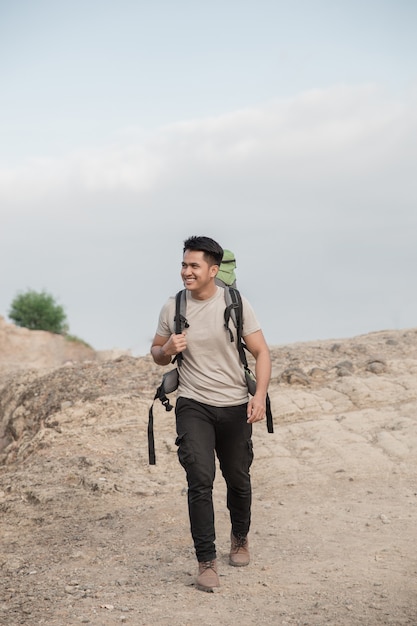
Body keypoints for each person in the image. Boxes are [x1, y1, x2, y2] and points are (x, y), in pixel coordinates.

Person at [150, 236, 271, 592]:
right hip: (193, 404)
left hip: (235, 404)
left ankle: (240, 537)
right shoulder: (172, 307)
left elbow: (262, 352)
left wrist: (259, 395)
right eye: (184, 265)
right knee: (199, 480)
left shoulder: (235, 303)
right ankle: (206, 562)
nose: (186, 272)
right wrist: (167, 349)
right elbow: (156, 352)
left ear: (213, 271)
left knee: (238, 478)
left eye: (194, 266)